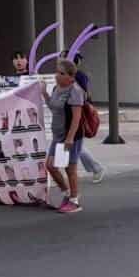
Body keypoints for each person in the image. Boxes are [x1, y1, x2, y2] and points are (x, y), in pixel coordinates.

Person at [43, 60, 88, 214]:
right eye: (57, 72)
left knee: (70, 168)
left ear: (71, 77)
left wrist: (69, 138)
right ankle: (66, 193)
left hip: (71, 136)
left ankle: (74, 201)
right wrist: (44, 94)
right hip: (58, 135)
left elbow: (77, 117)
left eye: (61, 73)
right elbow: (53, 107)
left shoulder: (75, 91)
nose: (57, 75)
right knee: (50, 165)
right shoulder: (57, 88)